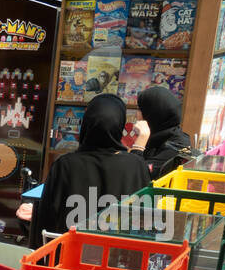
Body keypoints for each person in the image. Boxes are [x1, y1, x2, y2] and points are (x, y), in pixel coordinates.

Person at [27, 93, 151, 246]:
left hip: (68, 259)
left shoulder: (65, 165)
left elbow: (46, 219)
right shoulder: (136, 166)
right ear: (119, 126)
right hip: (117, 260)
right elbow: (146, 219)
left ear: (86, 124)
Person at [132, 84, 193, 180]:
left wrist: (140, 141)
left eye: (140, 109)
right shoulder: (167, 136)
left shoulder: (174, 148)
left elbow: (133, 175)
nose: (136, 115)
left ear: (153, 114)